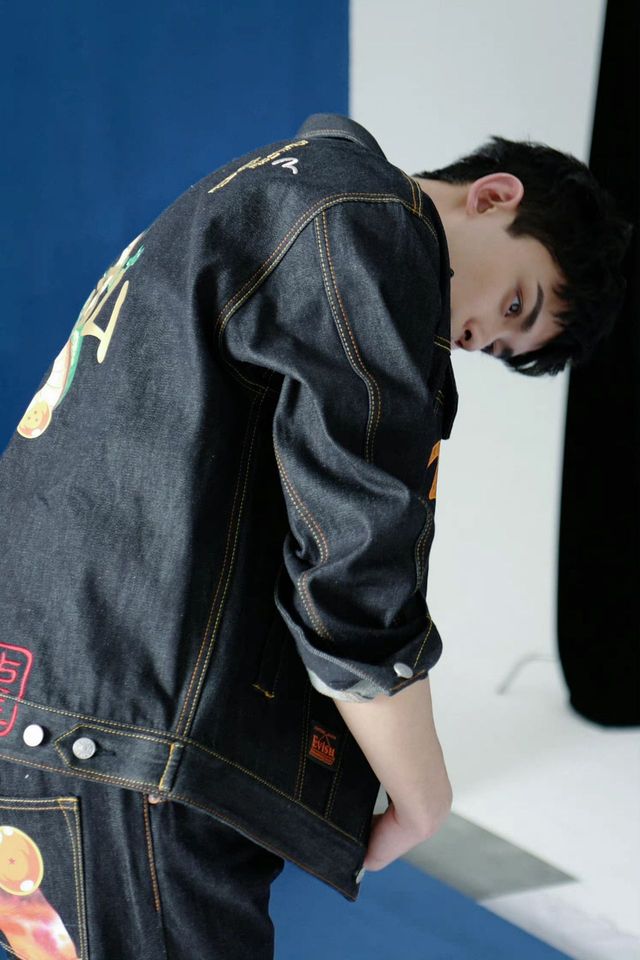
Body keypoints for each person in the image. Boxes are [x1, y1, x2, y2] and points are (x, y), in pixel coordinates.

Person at [0, 113, 630, 959]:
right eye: (516, 301)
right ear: (493, 196)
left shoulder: (281, 189)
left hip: (57, 715)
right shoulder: (368, 226)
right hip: (120, 743)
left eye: (500, 343)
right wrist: (423, 795)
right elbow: (353, 562)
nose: (476, 333)